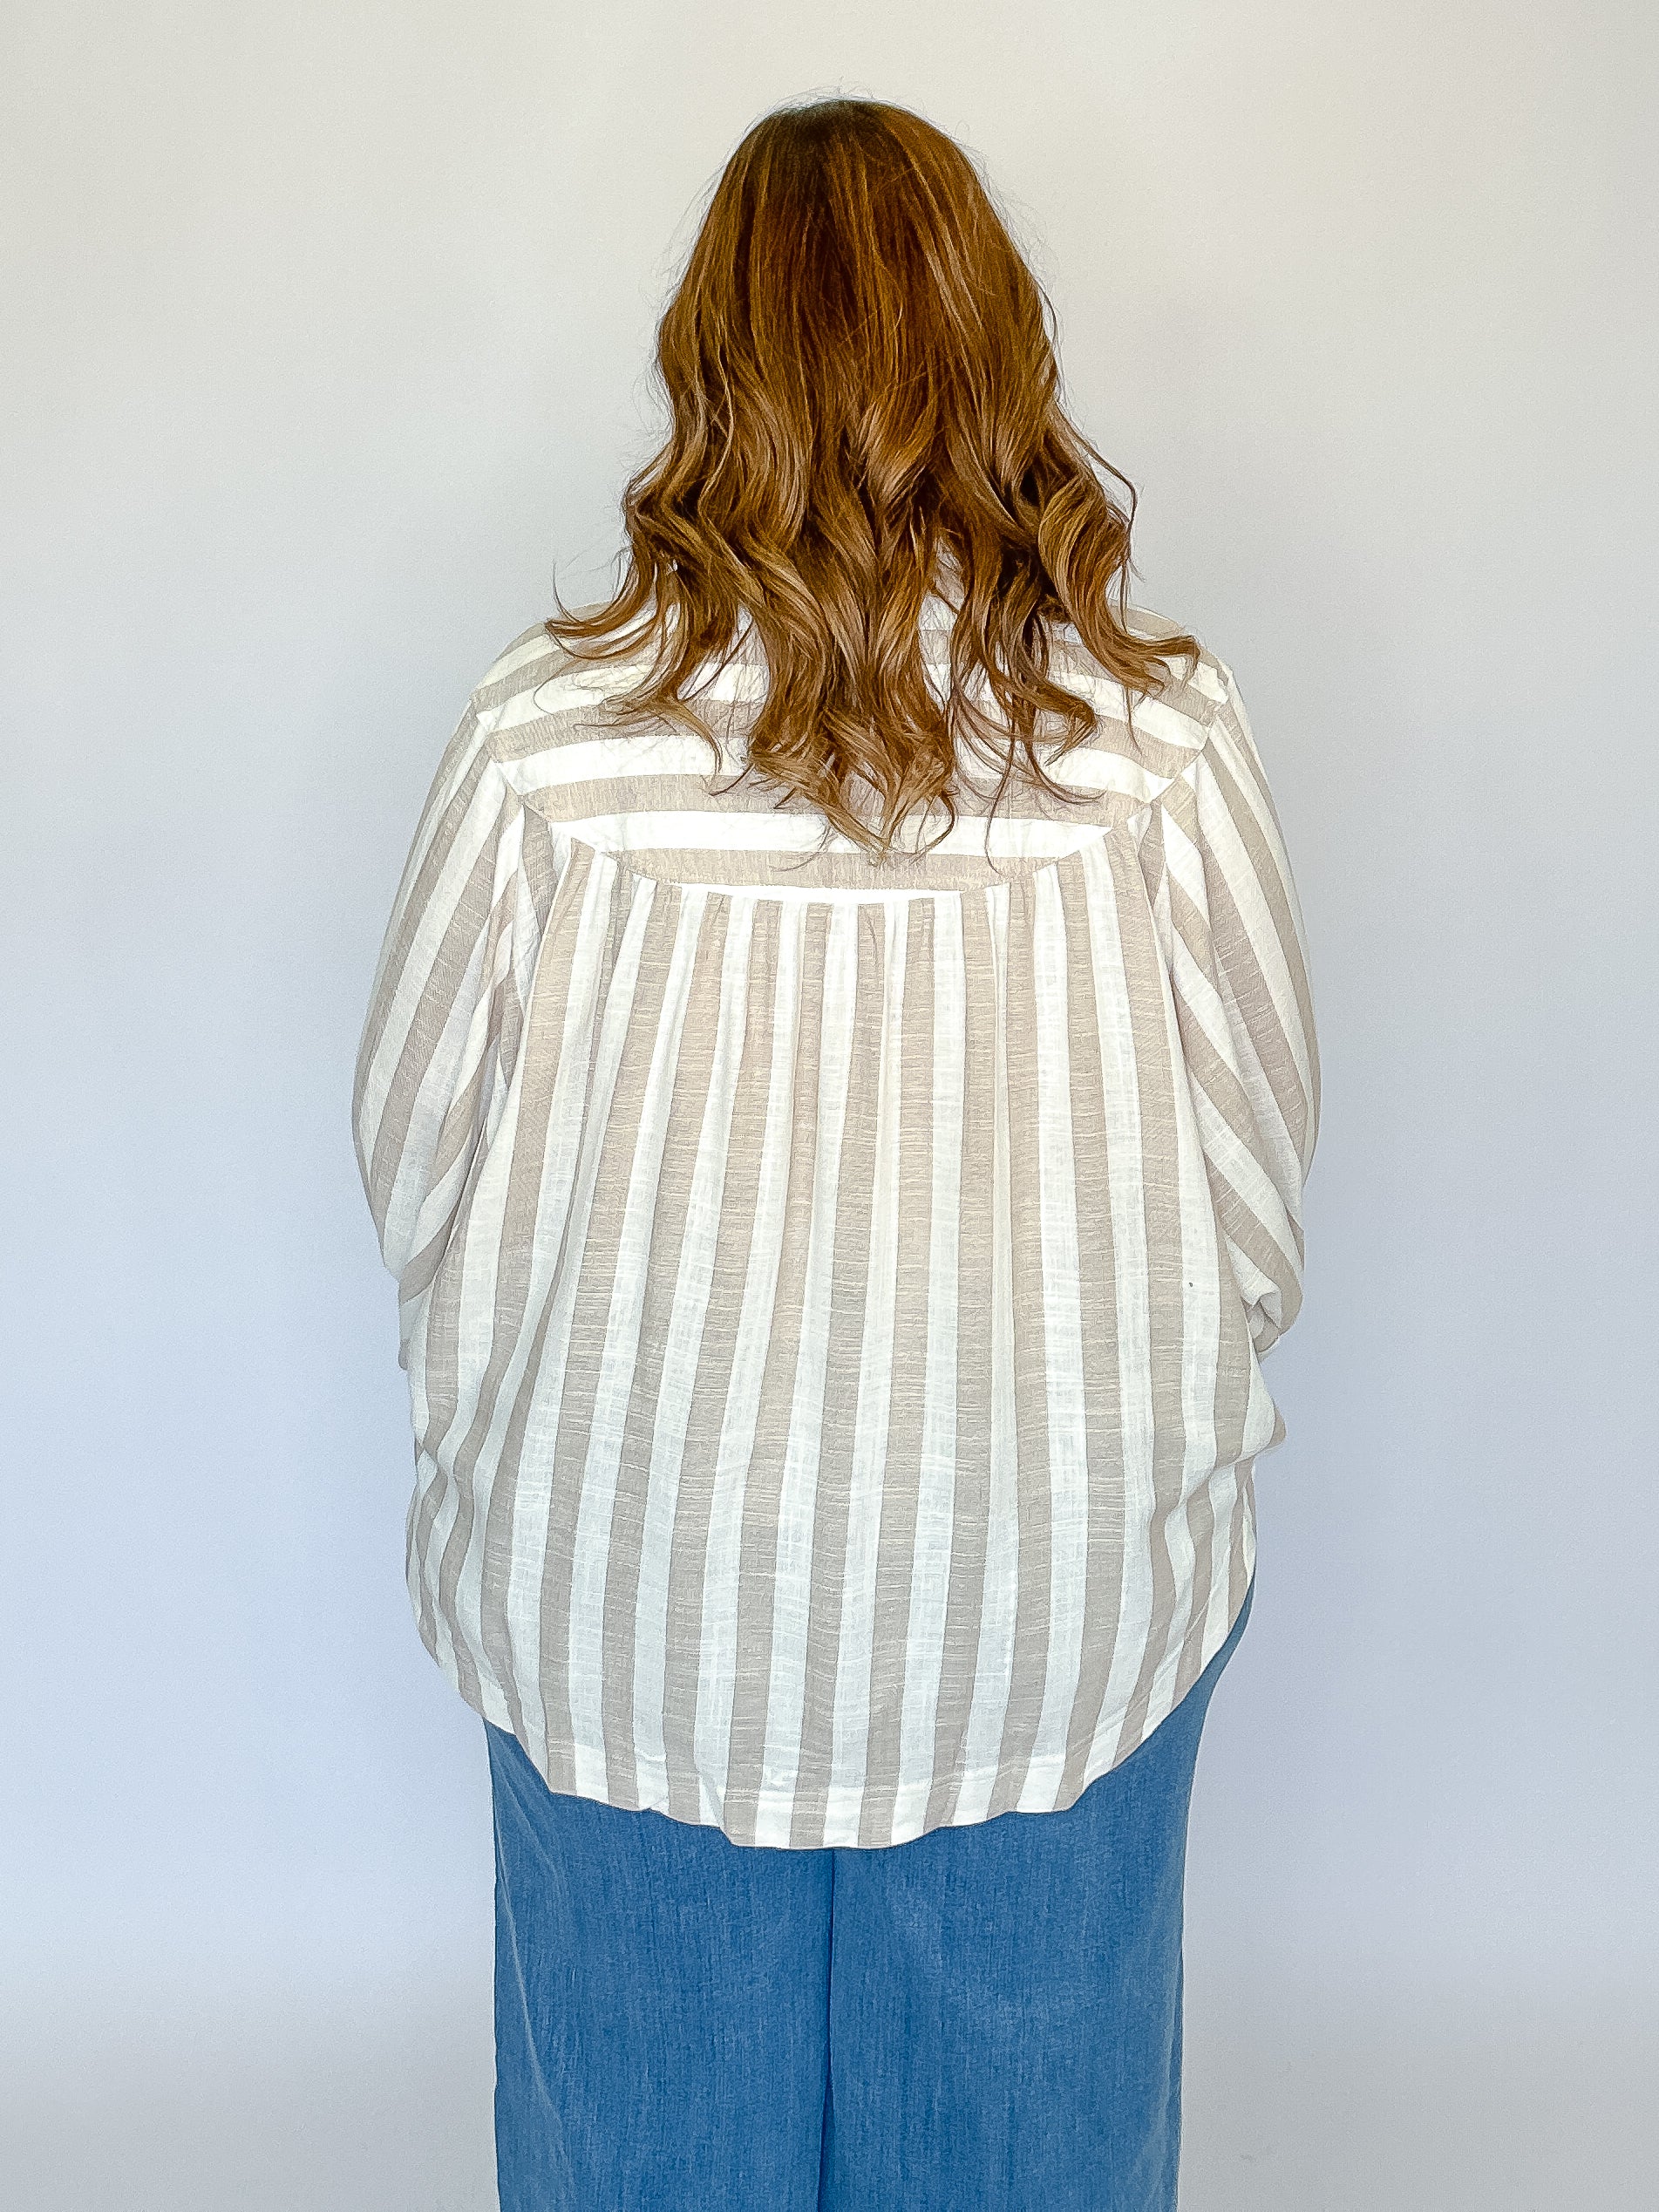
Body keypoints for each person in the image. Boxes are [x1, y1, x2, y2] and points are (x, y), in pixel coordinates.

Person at [351, 93, 1320, 2212]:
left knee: (640, 2163)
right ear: (997, 346)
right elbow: (1258, 1194)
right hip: (1044, 1611)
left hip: (629, 1607)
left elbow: (417, 1171)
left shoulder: (542, 750)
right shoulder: (1155, 752)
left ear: (710, 364)